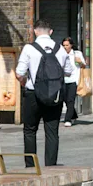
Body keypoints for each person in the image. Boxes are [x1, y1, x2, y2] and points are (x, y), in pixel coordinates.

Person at [16, 21, 75, 167]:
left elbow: (19, 73)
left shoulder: (29, 49)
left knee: (30, 130)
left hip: (33, 94)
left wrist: (24, 82)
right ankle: (51, 166)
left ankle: (30, 166)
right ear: (51, 32)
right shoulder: (60, 49)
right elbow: (68, 71)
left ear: (35, 31)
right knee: (52, 131)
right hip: (55, 94)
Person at [58, 37, 87, 127]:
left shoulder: (77, 53)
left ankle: (68, 119)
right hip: (63, 80)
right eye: (64, 45)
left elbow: (83, 65)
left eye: (67, 45)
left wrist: (79, 62)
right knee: (65, 100)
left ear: (71, 45)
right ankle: (73, 115)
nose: (65, 47)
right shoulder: (60, 54)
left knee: (70, 100)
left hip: (73, 80)